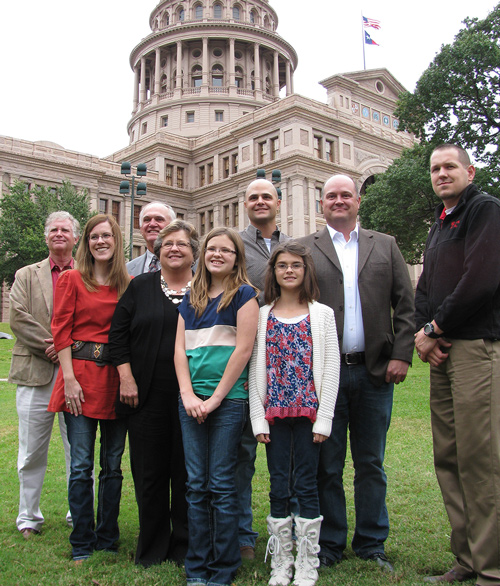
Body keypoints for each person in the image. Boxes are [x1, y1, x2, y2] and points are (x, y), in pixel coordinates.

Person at [299, 174, 415, 572]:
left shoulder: (385, 245)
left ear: (358, 201)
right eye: (331, 196)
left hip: (375, 372)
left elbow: (406, 304)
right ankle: (330, 543)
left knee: (370, 463)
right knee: (326, 465)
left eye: (345, 194)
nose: (338, 201)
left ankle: (371, 543)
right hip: (324, 375)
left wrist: (402, 353)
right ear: (321, 204)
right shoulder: (304, 249)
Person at [415, 144, 500, 586]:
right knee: (448, 456)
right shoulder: (440, 222)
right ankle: (466, 557)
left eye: (449, 166)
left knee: (479, 459)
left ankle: (491, 568)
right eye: (435, 168)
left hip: (474, 349)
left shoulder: (485, 210)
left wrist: (434, 328)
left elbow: (480, 280)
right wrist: (425, 331)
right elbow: (426, 285)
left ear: (469, 170)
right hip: (442, 351)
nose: (441, 174)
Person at [249, 241, 340, 586]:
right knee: (277, 484)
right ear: (273, 271)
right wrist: (258, 419)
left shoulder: (322, 314)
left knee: (306, 483)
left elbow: (331, 368)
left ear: (306, 271)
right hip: (274, 415)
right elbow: (255, 369)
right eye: (282, 265)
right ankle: (282, 560)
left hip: (309, 414)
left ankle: (306, 561)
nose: (289, 270)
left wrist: (325, 418)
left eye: (296, 265)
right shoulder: (261, 314)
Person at [109, 219, 198, 567]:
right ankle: (152, 546)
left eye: (183, 244)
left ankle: (185, 545)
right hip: (144, 395)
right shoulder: (139, 287)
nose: (174, 249)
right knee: (149, 473)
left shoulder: (206, 288)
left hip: (193, 395)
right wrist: (126, 377)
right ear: (158, 251)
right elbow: (118, 335)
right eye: (167, 244)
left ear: (194, 252)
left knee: (187, 472)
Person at [174, 227, 259, 586]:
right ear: (203, 255)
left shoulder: (245, 296)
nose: (218, 255)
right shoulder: (190, 299)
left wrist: (216, 399)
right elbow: (179, 351)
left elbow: (243, 350)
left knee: (222, 483)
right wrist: (189, 396)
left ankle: (223, 566)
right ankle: (198, 564)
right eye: (212, 249)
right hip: (192, 402)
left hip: (227, 402)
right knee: (196, 484)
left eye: (226, 250)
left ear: (237, 257)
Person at [48, 214, 130, 562]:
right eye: (94, 236)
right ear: (86, 242)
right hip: (78, 378)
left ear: (117, 241)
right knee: (81, 464)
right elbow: (61, 330)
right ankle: (81, 539)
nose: (100, 241)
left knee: (112, 464)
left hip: (116, 380)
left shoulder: (128, 284)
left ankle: (107, 536)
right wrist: (68, 379)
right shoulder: (71, 279)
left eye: (107, 236)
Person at [9, 211, 79, 538]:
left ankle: (77, 513)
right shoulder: (25, 274)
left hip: (77, 376)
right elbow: (18, 318)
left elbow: (98, 319)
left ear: (75, 238)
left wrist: (67, 347)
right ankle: (28, 518)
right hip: (35, 371)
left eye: (65, 229)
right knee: (31, 451)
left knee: (77, 450)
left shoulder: (89, 274)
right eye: (53, 229)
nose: (59, 233)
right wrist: (51, 345)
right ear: (46, 236)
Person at [237, 178, 291, 559]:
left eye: (266, 196)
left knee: (287, 449)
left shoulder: (295, 247)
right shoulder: (234, 245)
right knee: (241, 450)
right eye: (253, 197)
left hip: (287, 358)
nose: (260, 201)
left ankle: (286, 531)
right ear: (245, 204)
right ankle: (242, 535)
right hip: (243, 354)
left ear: (278, 202)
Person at [126, 201, 176, 276]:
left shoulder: (195, 267)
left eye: (159, 219)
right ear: (141, 228)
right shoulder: (127, 269)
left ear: (173, 227)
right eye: (147, 220)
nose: (152, 224)